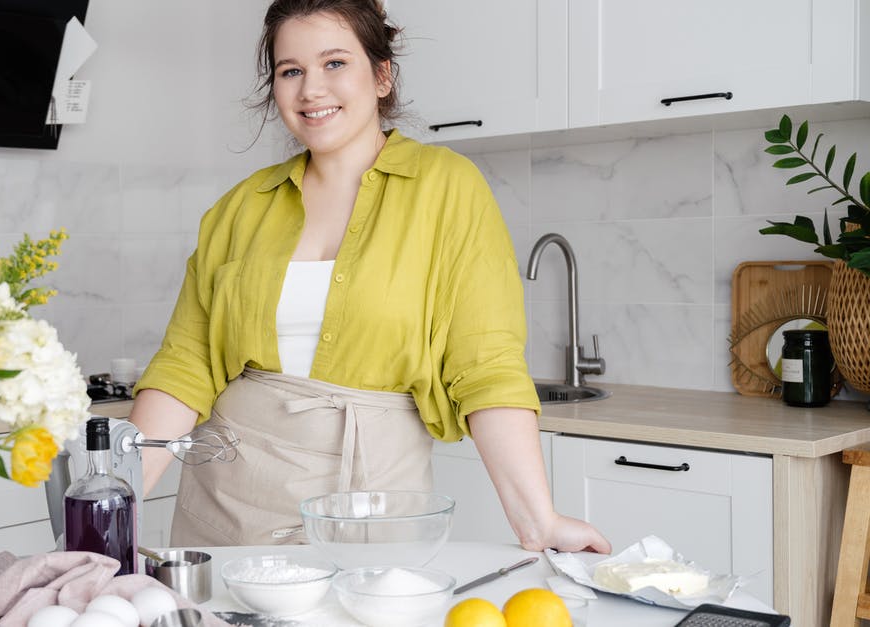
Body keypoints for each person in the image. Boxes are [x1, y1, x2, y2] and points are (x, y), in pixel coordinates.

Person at [129, 0, 611, 554]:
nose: (311, 89)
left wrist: (538, 520)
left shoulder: (447, 188)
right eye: (291, 71)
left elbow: (486, 365)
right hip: (227, 509)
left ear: (382, 75)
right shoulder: (239, 208)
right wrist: (113, 502)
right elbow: (185, 365)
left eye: (335, 63)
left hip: (376, 509)